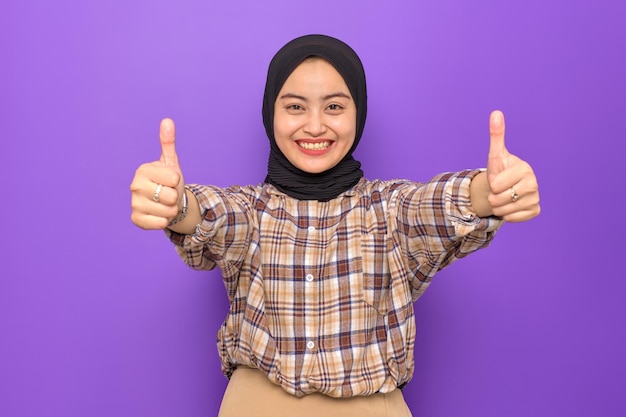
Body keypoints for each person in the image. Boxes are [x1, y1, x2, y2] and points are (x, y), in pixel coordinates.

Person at [130, 34, 540, 417]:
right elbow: (209, 215)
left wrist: (491, 191)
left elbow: (437, 205)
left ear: (357, 113)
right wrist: (174, 203)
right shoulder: (250, 210)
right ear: (269, 113)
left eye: (334, 106)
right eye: (294, 106)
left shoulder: (389, 209)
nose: (314, 126)